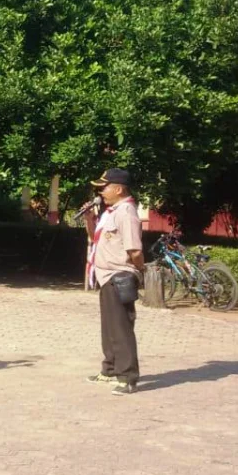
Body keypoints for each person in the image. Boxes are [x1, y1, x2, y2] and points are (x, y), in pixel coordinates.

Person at [84, 168, 145, 396]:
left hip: (120, 276)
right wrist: (90, 219)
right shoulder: (111, 211)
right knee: (109, 327)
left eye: (104, 187)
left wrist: (139, 271)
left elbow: (135, 249)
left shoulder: (126, 212)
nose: (100, 192)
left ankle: (128, 377)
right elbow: (94, 239)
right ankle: (109, 369)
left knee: (121, 329)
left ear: (118, 189)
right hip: (105, 276)